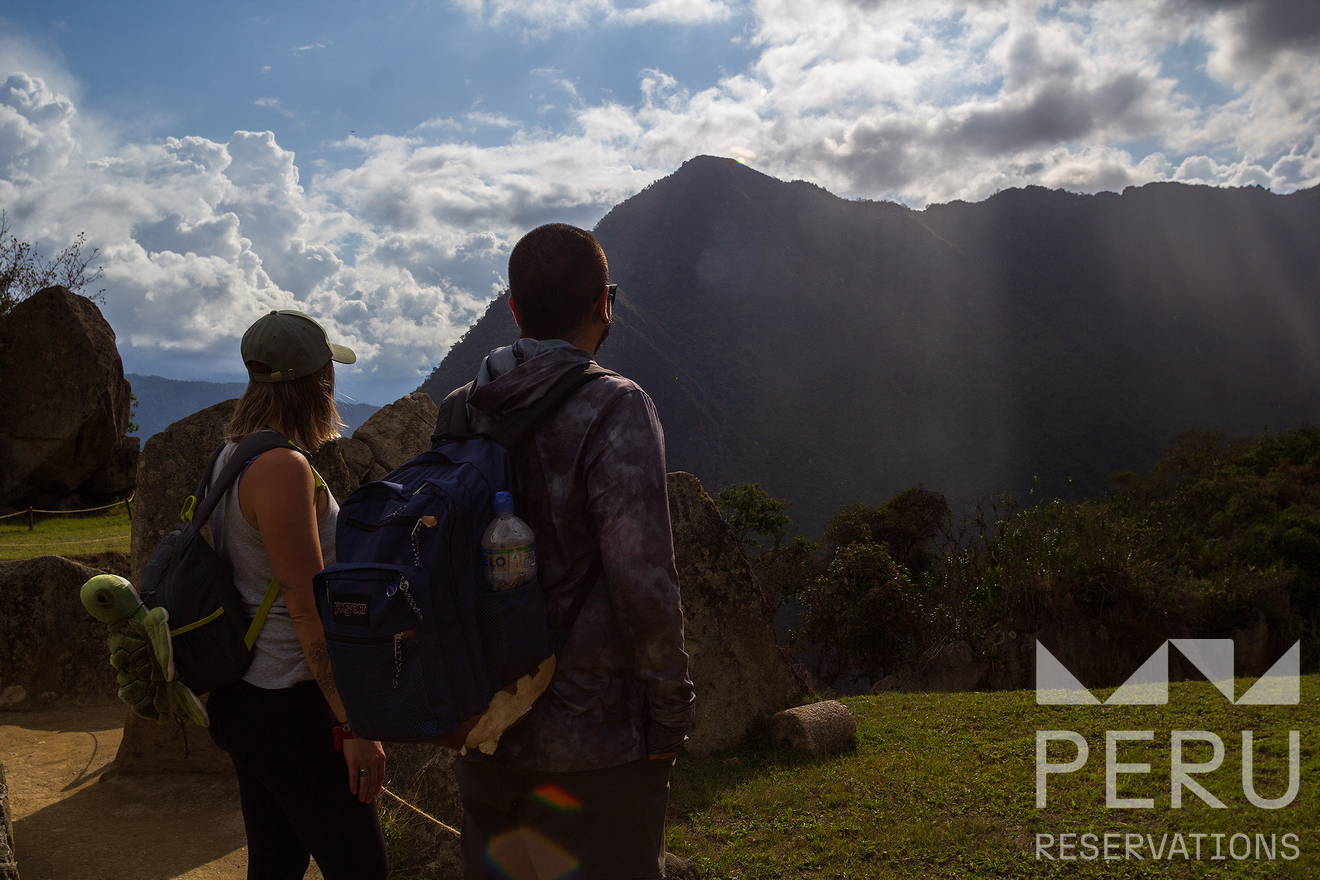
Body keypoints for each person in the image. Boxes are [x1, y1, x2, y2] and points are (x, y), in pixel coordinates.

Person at [453, 224, 696, 880]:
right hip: (594, 750)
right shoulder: (615, 407)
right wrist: (671, 715)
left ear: (513, 310)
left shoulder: (462, 410)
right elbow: (643, 581)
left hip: (487, 733)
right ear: (603, 304)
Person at [206, 309, 389, 880]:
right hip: (294, 708)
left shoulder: (231, 455)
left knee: (276, 864)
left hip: (246, 698)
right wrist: (354, 725)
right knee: (362, 870)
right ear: (318, 383)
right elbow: (306, 605)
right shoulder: (283, 468)